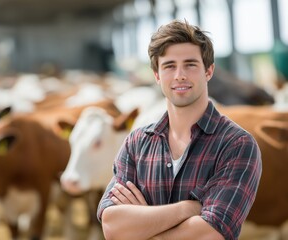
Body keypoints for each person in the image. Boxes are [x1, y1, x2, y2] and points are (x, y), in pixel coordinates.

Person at [97, 19, 262, 240]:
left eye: (190, 64)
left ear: (209, 71)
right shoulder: (136, 143)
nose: (179, 75)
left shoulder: (237, 145)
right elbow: (112, 227)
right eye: (169, 66)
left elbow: (211, 234)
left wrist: (142, 229)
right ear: (157, 75)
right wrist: (186, 209)